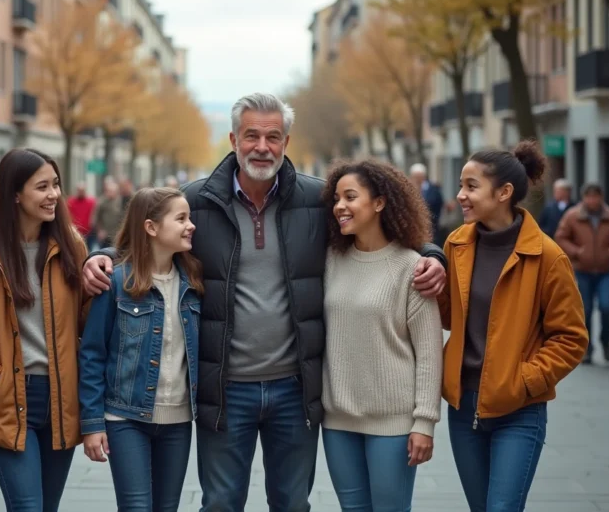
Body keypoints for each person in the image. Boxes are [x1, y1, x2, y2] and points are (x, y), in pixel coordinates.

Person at [82, 92, 447, 512]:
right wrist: (102, 257)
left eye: (273, 137)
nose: (262, 146)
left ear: (286, 143)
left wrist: (431, 254)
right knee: (220, 503)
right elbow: (145, 238)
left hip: (295, 387)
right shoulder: (197, 200)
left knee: (292, 504)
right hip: (224, 388)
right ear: (234, 139)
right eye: (251, 135)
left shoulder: (317, 201)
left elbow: (376, 225)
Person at [440, 141, 588, 512]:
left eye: (471, 187)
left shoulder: (548, 256)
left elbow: (571, 338)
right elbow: (448, 315)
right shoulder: (456, 244)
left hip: (519, 411)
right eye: (461, 185)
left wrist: (525, 381)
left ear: (504, 192)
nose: (461, 195)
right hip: (463, 410)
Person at [0, 149, 90, 512]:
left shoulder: (71, 247)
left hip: (62, 400)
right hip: (9, 398)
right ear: (15, 194)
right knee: (27, 506)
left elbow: (90, 324)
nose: (54, 194)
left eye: (55, 184)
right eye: (42, 186)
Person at [321, 160, 443, 511]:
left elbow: (430, 353)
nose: (340, 206)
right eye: (336, 198)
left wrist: (424, 423)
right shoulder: (330, 260)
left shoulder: (411, 267)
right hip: (338, 421)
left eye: (350, 196)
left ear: (379, 202)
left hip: (394, 424)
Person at [79, 187, 203, 511]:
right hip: (125, 417)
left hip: (178, 420)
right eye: (181, 219)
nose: (191, 226)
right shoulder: (116, 283)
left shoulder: (193, 283)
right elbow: (92, 354)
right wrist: (92, 424)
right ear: (151, 227)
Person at [555, 183, 609, 364]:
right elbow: (561, 237)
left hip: (604, 272)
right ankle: (587, 348)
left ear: (601, 197)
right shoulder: (573, 216)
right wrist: (577, 252)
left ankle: (605, 339)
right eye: (589, 196)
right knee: (585, 310)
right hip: (582, 271)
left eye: (596, 196)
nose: (592, 200)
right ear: (583, 198)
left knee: (606, 307)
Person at [409, 163, 444, 244]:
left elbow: (438, 204)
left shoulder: (433, 189)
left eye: (419, 176)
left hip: (432, 227)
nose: (417, 179)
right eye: (415, 176)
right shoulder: (408, 189)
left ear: (424, 176)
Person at [92, 180, 124, 249]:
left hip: (116, 234)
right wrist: (99, 230)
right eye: (109, 191)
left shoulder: (120, 201)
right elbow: (96, 218)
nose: (110, 193)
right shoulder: (102, 201)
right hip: (104, 235)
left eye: (113, 191)